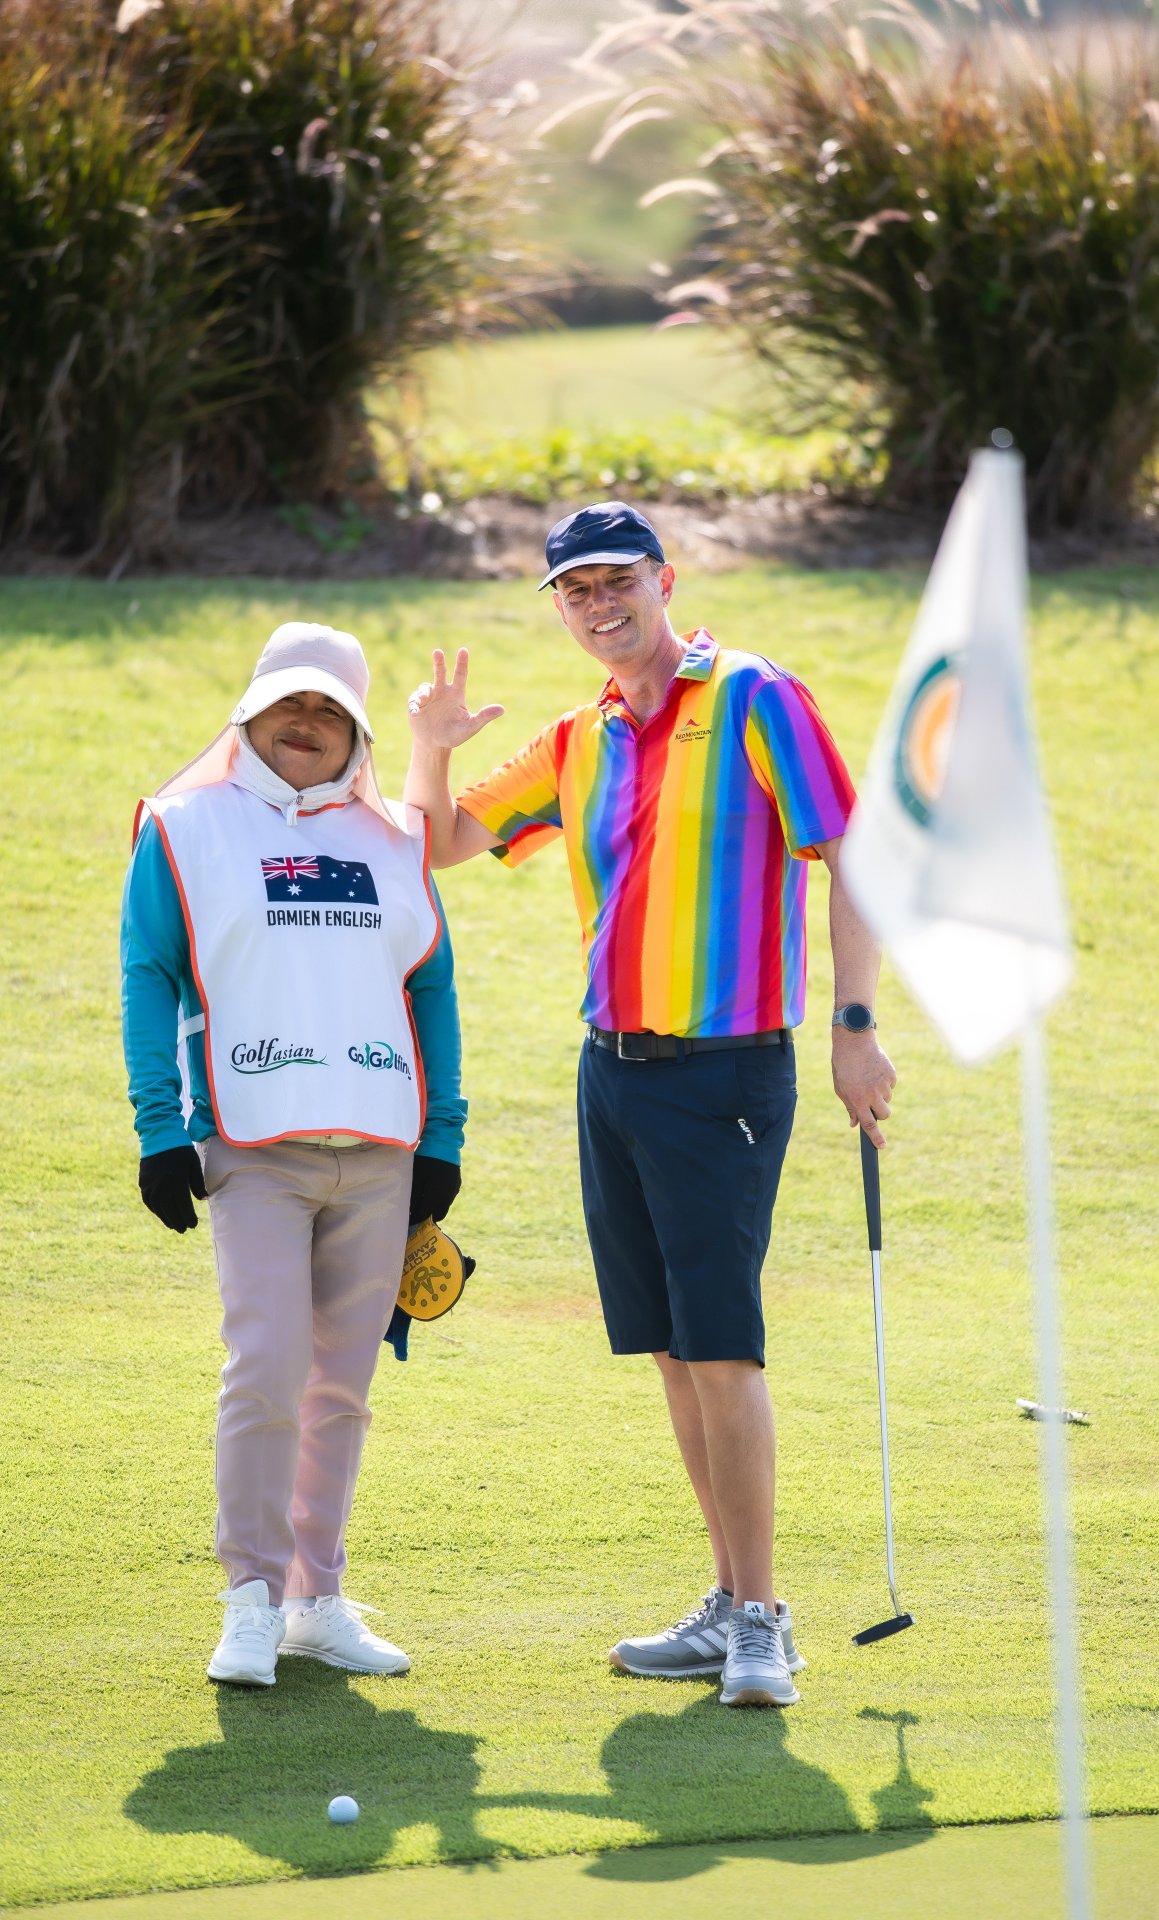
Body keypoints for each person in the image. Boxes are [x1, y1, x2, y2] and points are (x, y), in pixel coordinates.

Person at [402, 501, 896, 1709]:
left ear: (663, 579)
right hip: (611, 1073)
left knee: (720, 1346)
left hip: (725, 1071)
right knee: (673, 1350)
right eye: (573, 591)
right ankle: (726, 1601)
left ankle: (764, 1622)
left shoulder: (754, 697)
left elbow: (853, 854)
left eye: (616, 580)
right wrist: (429, 745)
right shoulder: (578, 738)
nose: (597, 605)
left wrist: (854, 1027)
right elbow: (441, 841)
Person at [121, 622, 466, 1687]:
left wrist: (443, 1137)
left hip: (378, 1149)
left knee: (341, 1389)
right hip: (252, 1143)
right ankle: (251, 1600)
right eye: (289, 703)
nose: (306, 723)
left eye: (330, 709)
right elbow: (149, 973)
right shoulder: (183, 826)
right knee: (267, 1368)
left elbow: (431, 986)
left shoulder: (395, 838)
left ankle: (316, 1600)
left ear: (357, 730)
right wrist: (159, 1129)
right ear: (250, 712)